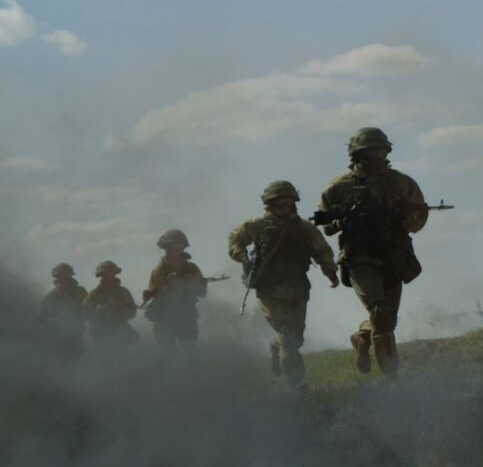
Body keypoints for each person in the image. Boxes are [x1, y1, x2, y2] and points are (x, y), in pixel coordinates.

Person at [317, 127, 428, 381]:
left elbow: (417, 222)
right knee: (380, 312)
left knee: (386, 319)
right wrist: (343, 220)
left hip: (393, 257)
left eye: (382, 151)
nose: (378, 157)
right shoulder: (338, 188)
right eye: (372, 152)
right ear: (358, 155)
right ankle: (392, 380)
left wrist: (402, 214)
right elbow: (326, 225)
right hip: (359, 259)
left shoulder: (401, 183)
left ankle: (362, 338)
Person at [229, 180, 339, 392]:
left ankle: (275, 347)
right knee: (289, 336)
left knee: (295, 338)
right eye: (280, 204)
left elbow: (322, 249)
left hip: (298, 289)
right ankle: (297, 382)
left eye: (289, 203)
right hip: (269, 291)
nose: (285, 208)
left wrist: (330, 271)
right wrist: (242, 257)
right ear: (269, 205)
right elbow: (235, 239)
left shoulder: (304, 229)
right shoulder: (257, 226)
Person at [142, 229, 206, 364]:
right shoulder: (158, 271)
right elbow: (152, 296)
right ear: (166, 247)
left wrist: (190, 284)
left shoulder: (192, 268)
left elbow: (202, 292)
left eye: (180, 245)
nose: (178, 248)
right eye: (174, 245)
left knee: (191, 352)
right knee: (169, 355)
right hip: (165, 317)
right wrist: (168, 287)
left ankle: (196, 381)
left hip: (186, 316)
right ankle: (167, 382)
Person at [85, 260, 139, 362]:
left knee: (123, 364)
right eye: (105, 274)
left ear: (115, 273)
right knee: (105, 366)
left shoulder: (123, 292)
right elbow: (87, 314)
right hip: (100, 334)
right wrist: (104, 308)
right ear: (100, 275)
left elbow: (132, 313)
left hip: (119, 333)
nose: (108, 276)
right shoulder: (94, 293)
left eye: (111, 272)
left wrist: (120, 306)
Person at [39, 262, 87, 365]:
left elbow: (89, 310)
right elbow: (41, 317)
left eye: (66, 275)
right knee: (62, 363)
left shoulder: (80, 292)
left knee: (76, 362)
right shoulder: (52, 295)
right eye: (61, 275)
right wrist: (53, 321)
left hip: (75, 334)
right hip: (58, 336)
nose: (64, 278)